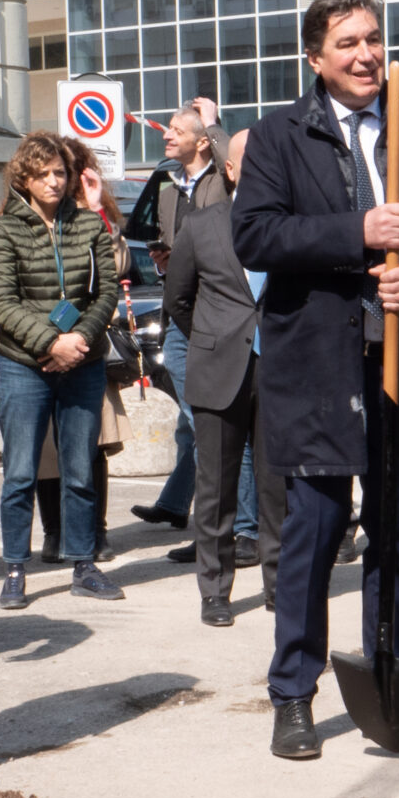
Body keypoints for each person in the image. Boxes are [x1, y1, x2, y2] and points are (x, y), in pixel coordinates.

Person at [232, 0, 399, 761]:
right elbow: (255, 236)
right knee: (315, 532)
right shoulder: (280, 137)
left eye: (372, 38)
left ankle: (395, 687)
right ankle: (293, 695)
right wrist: (356, 232)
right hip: (317, 366)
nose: (366, 55)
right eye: (347, 44)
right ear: (315, 58)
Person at [0, 132, 123, 608]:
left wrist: (77, 341)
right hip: (25, 365)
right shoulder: (3, 229)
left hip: (82, 362)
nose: (53, 182)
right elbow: (2, 300)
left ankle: (84, 565)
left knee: (80, 470)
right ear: (24, 177)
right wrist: (50, 343)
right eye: (42, 174)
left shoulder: (88, 224)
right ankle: (14, 570)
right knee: (20, 473)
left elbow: (106, 291)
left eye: (60, 172)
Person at [166, 116, 283, 626]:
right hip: (218, 371)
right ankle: (215, 590)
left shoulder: (290, 225)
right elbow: (178, 300)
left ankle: (281, 586)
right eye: (251, 162)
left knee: (278, 490)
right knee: (215, 489)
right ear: (230, 170)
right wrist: (213, 339)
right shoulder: (200, 226)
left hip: (279, 372)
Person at [136, 110, 230, 533]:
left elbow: (235, 169)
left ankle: (229, 520)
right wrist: (166, 262)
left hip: (217, 309)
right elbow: (180, 250)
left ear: (203, 141)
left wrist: (213, 123)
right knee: (190, 418)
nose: (166, 136)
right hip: (181, 305)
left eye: (177, 130)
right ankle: (177, 503)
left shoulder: (221, 180)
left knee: (202, 415)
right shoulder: (169, 190)